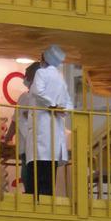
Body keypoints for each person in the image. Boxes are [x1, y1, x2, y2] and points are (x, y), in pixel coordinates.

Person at [27, 43, 73, 197]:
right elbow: (68, 104)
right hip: (55, 134)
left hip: (41, 129)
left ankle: (36, 201)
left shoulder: (41, 73)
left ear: (43, 60)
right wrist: (61, 110)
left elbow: (38, 91)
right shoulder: (61, 79)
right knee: (49, 175)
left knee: (36, 174)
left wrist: (52, 105)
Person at [5, 62, 39, 193]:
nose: (25, 79)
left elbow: (15, 121)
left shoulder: (26, 97)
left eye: (27, 76)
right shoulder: (47, 99)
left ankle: (32, 198)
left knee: (29, 179)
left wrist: (7, 138)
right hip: (43, 148)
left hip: (30, 146)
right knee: (40, 184)